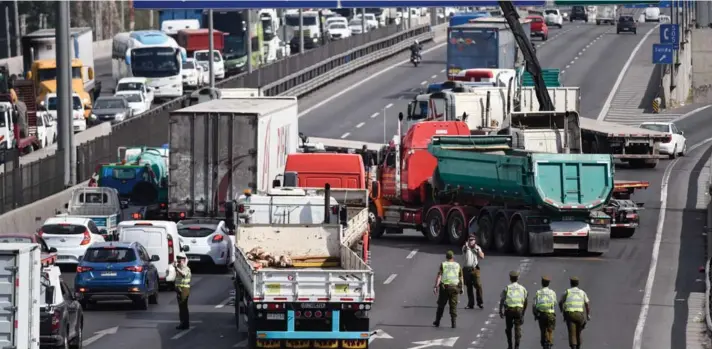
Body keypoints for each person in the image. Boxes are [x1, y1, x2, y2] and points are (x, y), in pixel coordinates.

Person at [432, 250, 463, 328]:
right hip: (454, 288)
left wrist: (436, 286)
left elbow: (439, 276)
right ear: (453, 257)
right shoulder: (457, 265)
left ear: (446, 257)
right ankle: (453, 323)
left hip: (445, 288)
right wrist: (462, 288)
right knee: (453, 306)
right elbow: (461, 278)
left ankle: (437, 321)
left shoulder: (443, 264)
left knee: (441, 305)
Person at [559, 276, 590, 349]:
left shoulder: (567, 292)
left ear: (571, 283)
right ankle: (578, 346)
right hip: (580, 315)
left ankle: (573, 346)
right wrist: (588, 315)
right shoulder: (582, 292)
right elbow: (587, 304)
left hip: (570, 314)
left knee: (572, 333)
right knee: (578, 332)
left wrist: (562, 311)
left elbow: (560, 302)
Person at [499, 271, 528, 349]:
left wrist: (500, 311)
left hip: (509, 310)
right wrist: (523, 313)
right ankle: (517, 346)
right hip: (519, 310)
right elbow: (525, 301)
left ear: (510, 278)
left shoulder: (507, 288)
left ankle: (510, 345)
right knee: (517, 328)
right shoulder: (522, 288)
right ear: (517, 278)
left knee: (508, 329)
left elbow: (502, 300)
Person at [533, 276, 557, 349]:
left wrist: (535, 314)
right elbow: (555, 303)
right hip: (550, 314)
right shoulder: (552, 292)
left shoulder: (538, 292)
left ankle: (544, 343)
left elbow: (534, 305)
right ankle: (550, 342)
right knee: (550, 330)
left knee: (543, 330)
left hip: (542, 315)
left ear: (542, 283)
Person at [461, 234, 484, 309]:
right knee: (469, 287)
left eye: (472, 240)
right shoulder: (465, 247)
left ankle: (480, 302)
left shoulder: (477, 248)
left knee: (478, 285)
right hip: (466, 270)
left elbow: (482, 256)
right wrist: (467, 247)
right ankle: (470, 304)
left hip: (475, 269)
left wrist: (476, 250)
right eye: (469, 240)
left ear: (475, 241)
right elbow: (464, 250)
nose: (471, 241)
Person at [174, 252, 192, 330]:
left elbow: (183, 274)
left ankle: (186, 324)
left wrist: (176, 268)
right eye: (178, 259)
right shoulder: (179, 268)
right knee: (181, 308)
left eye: (180, 260)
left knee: (184, 307)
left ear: (184, 260)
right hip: (179, 289)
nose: (179, 261)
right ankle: (182, 323)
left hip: (184, 289)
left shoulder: (186, 268)